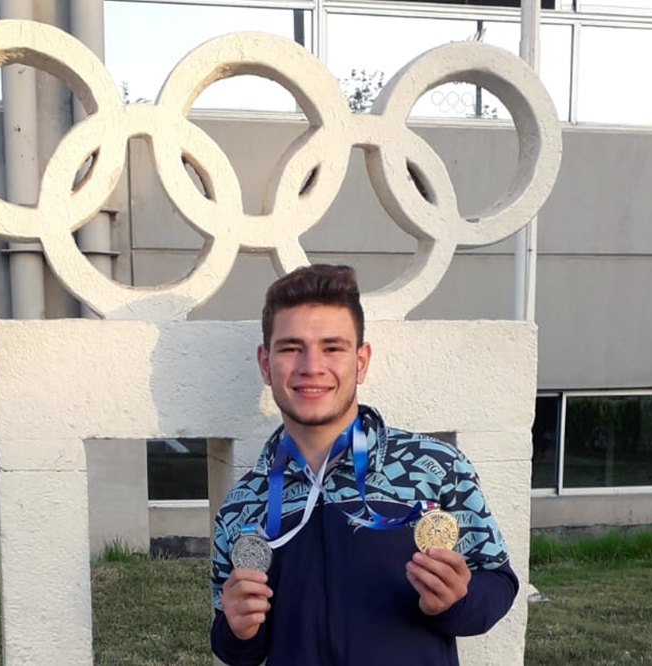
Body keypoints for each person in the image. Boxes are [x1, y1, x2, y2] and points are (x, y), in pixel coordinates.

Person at [210, 264, 519, 666]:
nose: (311, 366)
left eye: (332, 347)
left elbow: (497, 582)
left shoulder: (434, 468)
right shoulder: (243, 504)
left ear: (361, 361)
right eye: (290, 348)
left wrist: (457, 601)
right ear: (265, 364)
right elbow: (235, 642)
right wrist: (238, 630)